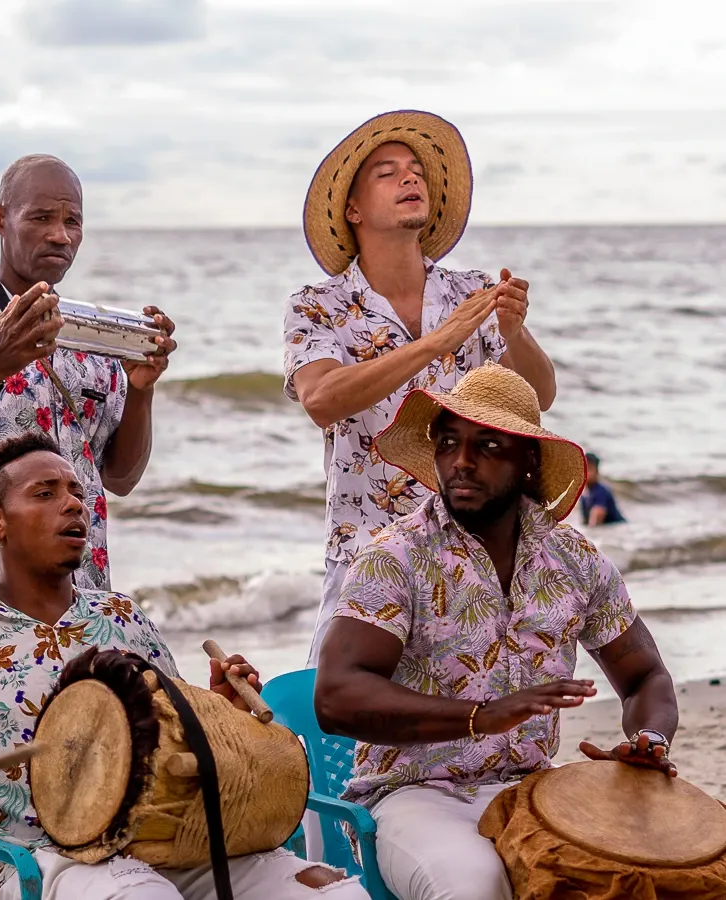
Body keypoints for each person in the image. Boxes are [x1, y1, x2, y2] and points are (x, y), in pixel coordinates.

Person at [0, 434, 367, 900]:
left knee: (328, 890)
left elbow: (171, 736)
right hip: (36, 860)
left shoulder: (121, 616)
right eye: (45, 494)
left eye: (77, 494)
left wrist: (217, 711)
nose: (73, 505)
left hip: (161, 839)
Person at [314, 364, 678, 900]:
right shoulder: (396, 557)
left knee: (636, 878)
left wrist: (649, 740)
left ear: (529, 460)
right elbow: (336, 696)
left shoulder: (575, 560)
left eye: (487, 446)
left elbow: (646, 676)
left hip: (533, 790)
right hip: (415, 795)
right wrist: (478, 716)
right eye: (448, 443)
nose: (461, 461)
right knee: (476, 886)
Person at [283, 110, 559, 666]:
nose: (410, 177)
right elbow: (321, 399)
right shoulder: (316, 305)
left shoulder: (472, 291)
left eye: (415, 170)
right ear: (353, 211)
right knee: (340, 706)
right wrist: (435, 343)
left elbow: (539, 398)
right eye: (387, 173)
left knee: (477, 707)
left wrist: (513, 331)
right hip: (364, 548)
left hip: (474, 549)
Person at [0, 154, 177, 609]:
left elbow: (120, 479)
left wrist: (142, 389)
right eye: (41, 217)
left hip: (77, 599)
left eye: (72, 221)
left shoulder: (92, 337)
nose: (60, 235)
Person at [580, 452, 627, 526]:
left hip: (618, 525)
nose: (585, 473)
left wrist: (590, 530)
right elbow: (585, 521)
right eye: (583, 469)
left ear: (597, 471)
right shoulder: (584, 495)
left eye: (589, 469)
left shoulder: (601, 490)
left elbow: (598, 515)